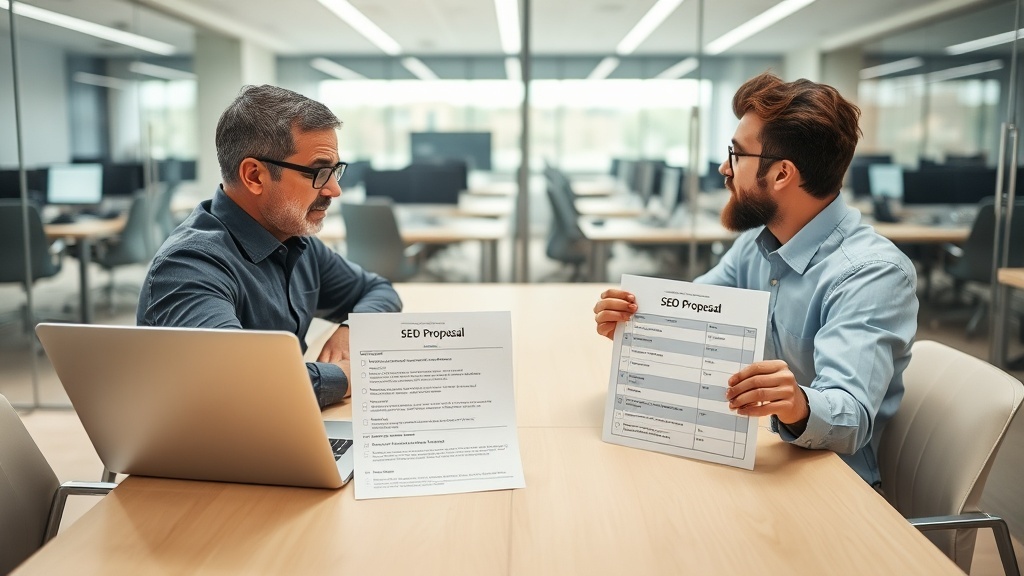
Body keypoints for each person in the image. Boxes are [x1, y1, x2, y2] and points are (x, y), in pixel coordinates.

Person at [593, 72, 918, 487]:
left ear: (782, 174)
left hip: (828, 486)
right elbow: (694, 307)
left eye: (737, 155)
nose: (723, 168)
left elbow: (850, 419)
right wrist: (633, 317)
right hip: (757, 457)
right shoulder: (757, 245)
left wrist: (798, 402)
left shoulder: (870, 275)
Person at [138, 84, 401, 408]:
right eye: (319, 172)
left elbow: (379, 290)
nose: (334, 189)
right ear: (255, 176)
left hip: (274, 429)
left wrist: (352, 330)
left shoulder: (294, 240)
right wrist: (345, 376)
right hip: (207, 452)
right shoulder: (189, 266)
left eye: (335, 172)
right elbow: (244, 381)